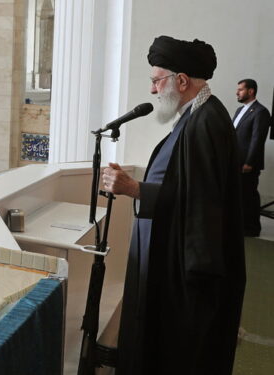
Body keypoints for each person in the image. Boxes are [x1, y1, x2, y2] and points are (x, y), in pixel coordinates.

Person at [101, 36, 246, 374]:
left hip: (190, 277)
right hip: (178, 263)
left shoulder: (206, 122)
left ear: (181, 81)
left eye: (157, 80)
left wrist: (136, 189)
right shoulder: (196, 116)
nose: (153, 91)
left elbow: (203, 204)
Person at [232, 78, 271, 237]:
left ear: (251, 91)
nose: (237, 92)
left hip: (248, 164)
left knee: (249, 196)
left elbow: (257, 139)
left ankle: (252, 228)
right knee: (239, 195)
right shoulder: (239, 110)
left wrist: (249, 162)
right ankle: (240, 225)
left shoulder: (261, 111)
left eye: (240, 89)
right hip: (235, 161)